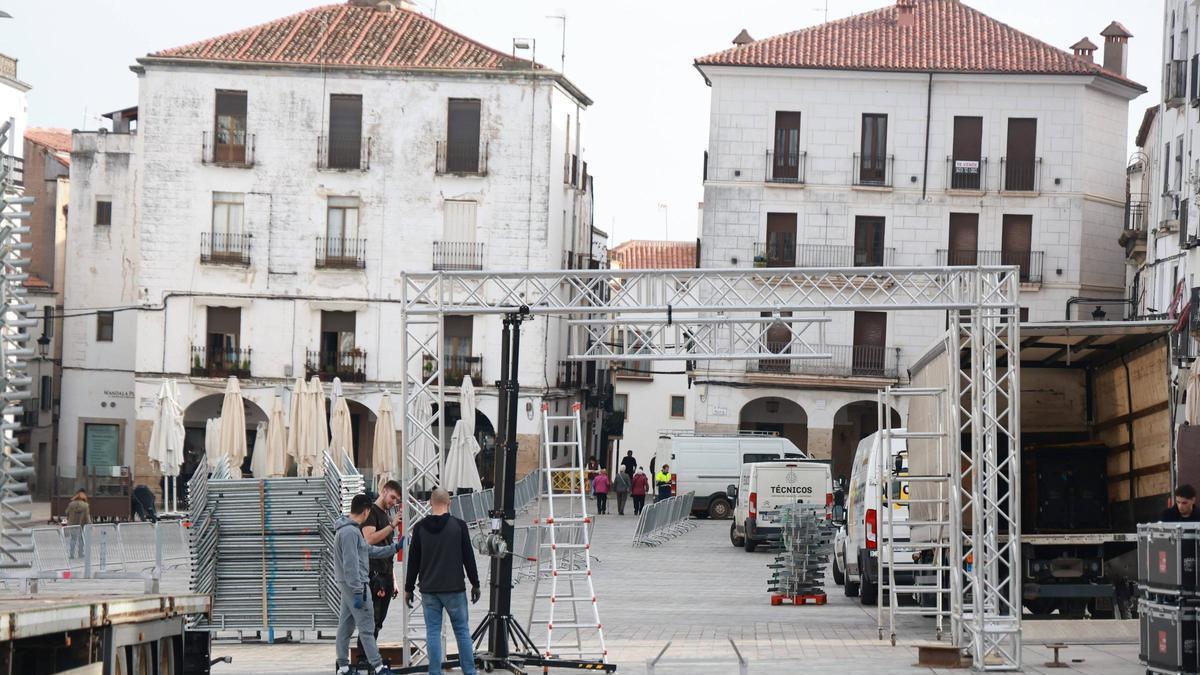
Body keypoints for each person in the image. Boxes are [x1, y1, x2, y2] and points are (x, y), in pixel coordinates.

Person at [404, 488, 480, 675]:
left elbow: (413, 561)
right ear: (449, 503)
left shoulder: (420, 528)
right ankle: (469, 672)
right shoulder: (459, 526)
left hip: (429, 590)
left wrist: (408, 588)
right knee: (462, 632)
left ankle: (435, 672)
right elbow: (468, 557)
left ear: (430, 503)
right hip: (454, 588)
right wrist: (475, 583)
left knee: (433, 633)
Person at [335, 494, 403, 675]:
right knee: (367, 627)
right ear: (366, 511)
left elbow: (368, 550)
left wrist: (394, 548)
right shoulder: (349, 532)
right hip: (357, 586)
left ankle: (342, 667)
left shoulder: (349, 530)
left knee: (346, 626)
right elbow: (351, 565)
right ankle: (379, 667)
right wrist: (358, 591)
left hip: (348, 585)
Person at [357, 480, 403, 659]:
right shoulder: (371, 513)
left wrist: (393, 580)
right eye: (392, 497)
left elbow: (387, 549)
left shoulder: (385, 514)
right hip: (373, 576)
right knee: (371, 623)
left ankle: (369, 659)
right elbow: (368, 539)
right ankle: (365, 660)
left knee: (378, 623)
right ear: (383, 491)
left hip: (385, 575)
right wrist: (391, 526)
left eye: (397, 500)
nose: (393, 502)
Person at [65, 489, 90, 558]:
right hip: (81, 525)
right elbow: (87, 516)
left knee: (73, 539)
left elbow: (66, 512)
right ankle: (80, 553)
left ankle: (71, 554)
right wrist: (89, 525)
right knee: (81, 539)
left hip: (72, 525)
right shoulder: (86, 505)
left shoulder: (71, 504)